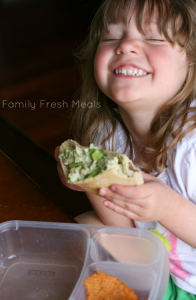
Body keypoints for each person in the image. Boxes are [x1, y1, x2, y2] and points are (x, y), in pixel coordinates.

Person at [55, 0, 196, 298]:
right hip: (156, 264)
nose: (127, 45)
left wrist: (169, 208)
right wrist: (90, 180)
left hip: (192, 286)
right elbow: (124, 229)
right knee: (74, 230)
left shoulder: (192, 148)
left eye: (155, 37)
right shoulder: (107, 133)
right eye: (112, 37)